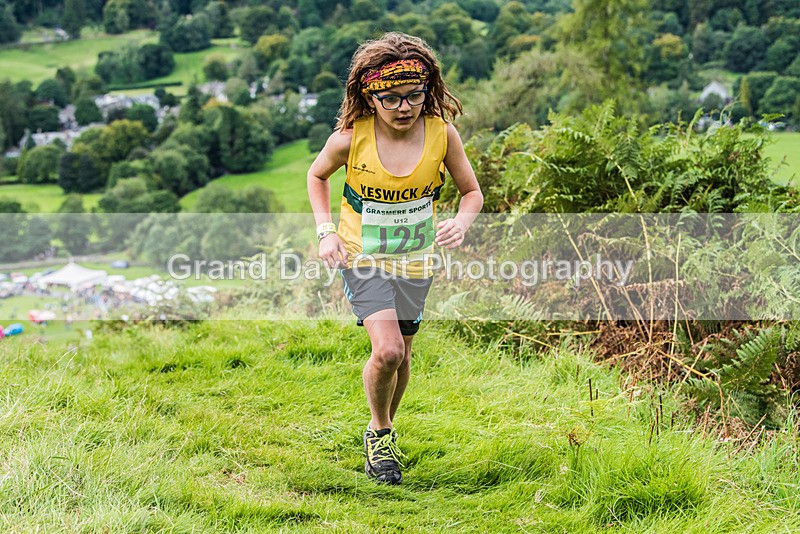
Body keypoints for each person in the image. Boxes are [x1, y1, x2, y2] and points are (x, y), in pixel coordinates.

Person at [307, 32, 483, 485]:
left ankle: (382, 426)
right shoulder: (350, 139)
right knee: (385, 351)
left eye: (414, 95)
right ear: (370, 96)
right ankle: (380, 431)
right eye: (391, 98)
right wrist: (326, 232)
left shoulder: (443, 135)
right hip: (361, 256)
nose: (404, 107)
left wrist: (461, 224)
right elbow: (316, 176)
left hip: (416, 260)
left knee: (402, 354)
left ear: (427, 91)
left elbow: (471, 193)